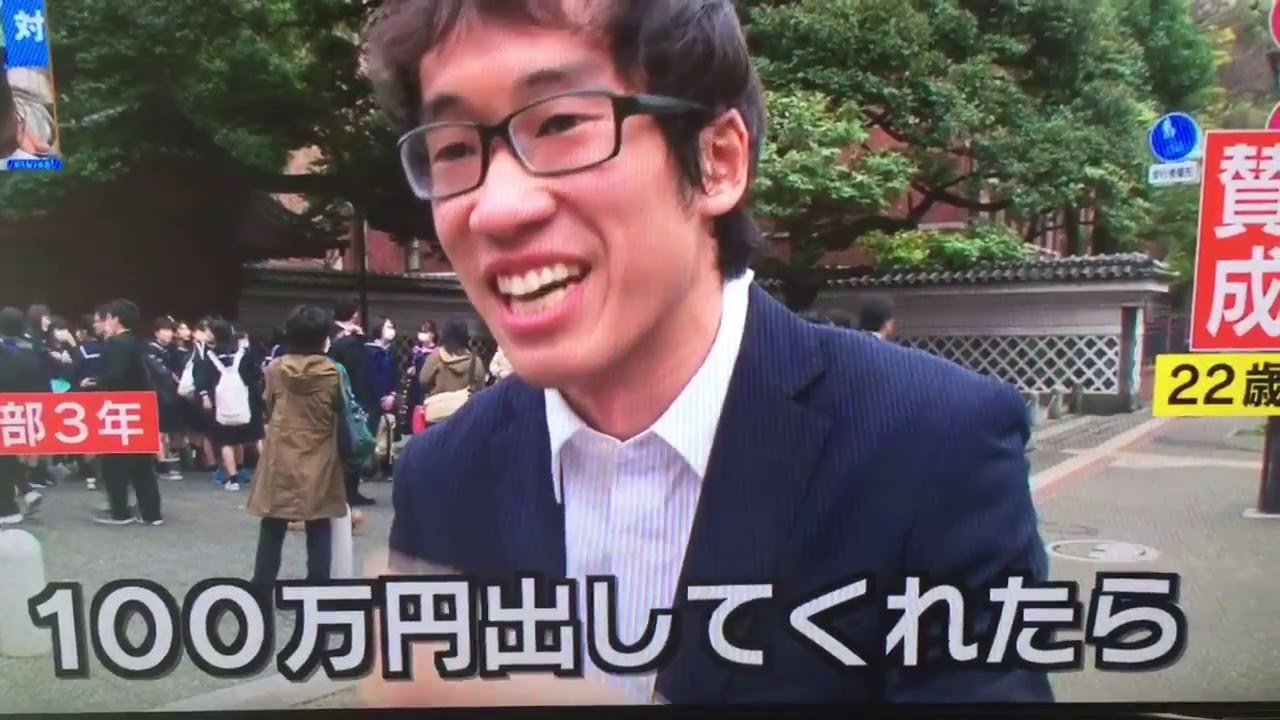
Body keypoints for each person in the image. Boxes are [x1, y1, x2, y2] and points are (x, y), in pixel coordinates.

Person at [364, 0, 1048, 706]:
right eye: (453, 150)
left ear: (717, 161)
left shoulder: (933, 446)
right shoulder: (442, 477)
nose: (497, 208)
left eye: (561, 123)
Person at [247, 304, 349, 599]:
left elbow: (268, 407)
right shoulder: (333, 373)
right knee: (318, 522)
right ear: (323, 338)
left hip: (281, 453)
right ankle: (317, 590)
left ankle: (261, 588)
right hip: (320, 454)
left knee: (273, 522)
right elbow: (342, 409)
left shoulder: (275, 369)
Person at [92, 299, 163, 526]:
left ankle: (120, 512)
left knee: (113, 462)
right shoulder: (135, 342)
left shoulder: (117, 343)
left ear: (116, 319)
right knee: (142, 464)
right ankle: (151, 513)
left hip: (119, 409)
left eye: (108, 318)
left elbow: (115, 377)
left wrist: (95, 383)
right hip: (139, 408)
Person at [195, 320, 263, 490]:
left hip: (222, 403)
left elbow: (204, 378)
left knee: (226, 441)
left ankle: (232, 479)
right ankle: (257, 474)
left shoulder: (210, 355)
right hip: (246, 402)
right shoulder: (242, 352)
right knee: (252, 438)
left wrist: (205, 396)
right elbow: (256, 373)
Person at [0, 307, 47, 525]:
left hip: (5, 408)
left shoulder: (4, 349)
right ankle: (26, 490)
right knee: (8, 454)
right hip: (24, 409)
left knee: (3, 457)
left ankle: (8, 509)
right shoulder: (32, 347)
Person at [328, 299, 375, 506]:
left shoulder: (329, 334)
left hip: (333, 393)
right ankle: (349, 490)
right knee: (352, 440)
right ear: (354, 315)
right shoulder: (349, 341)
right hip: (350, 393)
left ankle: (342, 489)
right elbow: (358, 372)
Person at [417, 319, 486, 427]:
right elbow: (480, 388)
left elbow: (423, 380)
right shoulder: (474, 361)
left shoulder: (435, 357)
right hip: (464, 414)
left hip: (437, 413)